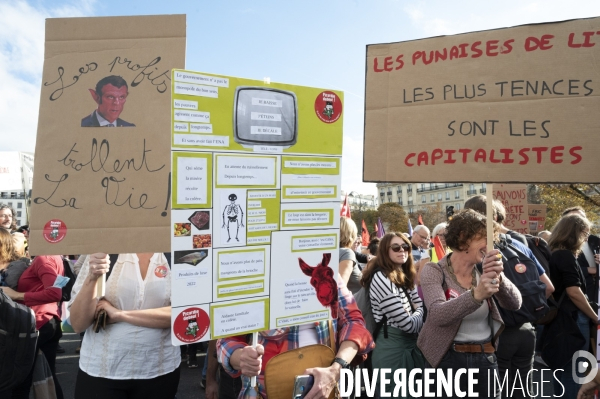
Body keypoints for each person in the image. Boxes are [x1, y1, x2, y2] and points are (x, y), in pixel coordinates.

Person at [417, 209, 522, 398]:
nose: (491, 245)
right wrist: (476, 295)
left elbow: (515, 304)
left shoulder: (484, 269)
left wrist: (500, 277)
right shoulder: (434, 271)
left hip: (485, 359)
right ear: (464, 238)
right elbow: (438, 315)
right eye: (484, 239)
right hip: (446, 360)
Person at [217, 281, 374, 399]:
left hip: (323, 390)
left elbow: (354, 321)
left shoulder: (329, 273)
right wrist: (241, 357)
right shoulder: (253, 275)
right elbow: (226, 339)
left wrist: (336, 369)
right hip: (264, 392)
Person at [465, 195, 554, 399]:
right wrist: (524, 310)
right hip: (527, 330)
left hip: (497, 332)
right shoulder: (519, 244)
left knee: (498, 392)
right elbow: (548, 287)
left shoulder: (477, 253)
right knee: (523, 391)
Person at [69, 253, 180, 398]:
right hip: (102, 372)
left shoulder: (174, 250)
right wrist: (92, 277)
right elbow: (78, 323)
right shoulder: (104, 251)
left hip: (159, 370)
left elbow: (183, 315)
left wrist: (118, 314)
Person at [361, 232, 425, 397]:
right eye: (396, 247)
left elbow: (417, 306)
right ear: (385, 251)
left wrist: (416, 310)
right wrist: (419, 310)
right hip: (392, 349)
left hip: (409, 346)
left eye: (406, 247)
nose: (402, 250)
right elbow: (408, 324)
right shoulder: (382, 278)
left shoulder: (404, 274)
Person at [547, 214, 598, 398]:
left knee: (561, 372)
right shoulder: (565, 256)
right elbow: (574, 292)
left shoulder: (554, 254)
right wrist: (595, 316)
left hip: (560, 321)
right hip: (573, 321)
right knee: (573, 372)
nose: (587, 239)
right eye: (585, 233)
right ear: (574, 234)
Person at [0, 254, 65, 399]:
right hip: (47, 320)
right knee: (48, 377)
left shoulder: (44, 258)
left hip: (38, 322)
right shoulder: (52, 257)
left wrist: (17, 295)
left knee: (20, 379)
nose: (28, 236)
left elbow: (55, 293)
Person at [339, 217, 362, 294]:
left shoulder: (331, 252)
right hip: (353, 304)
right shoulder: (347, 253)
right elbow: (340, 288)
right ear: (351, 234)